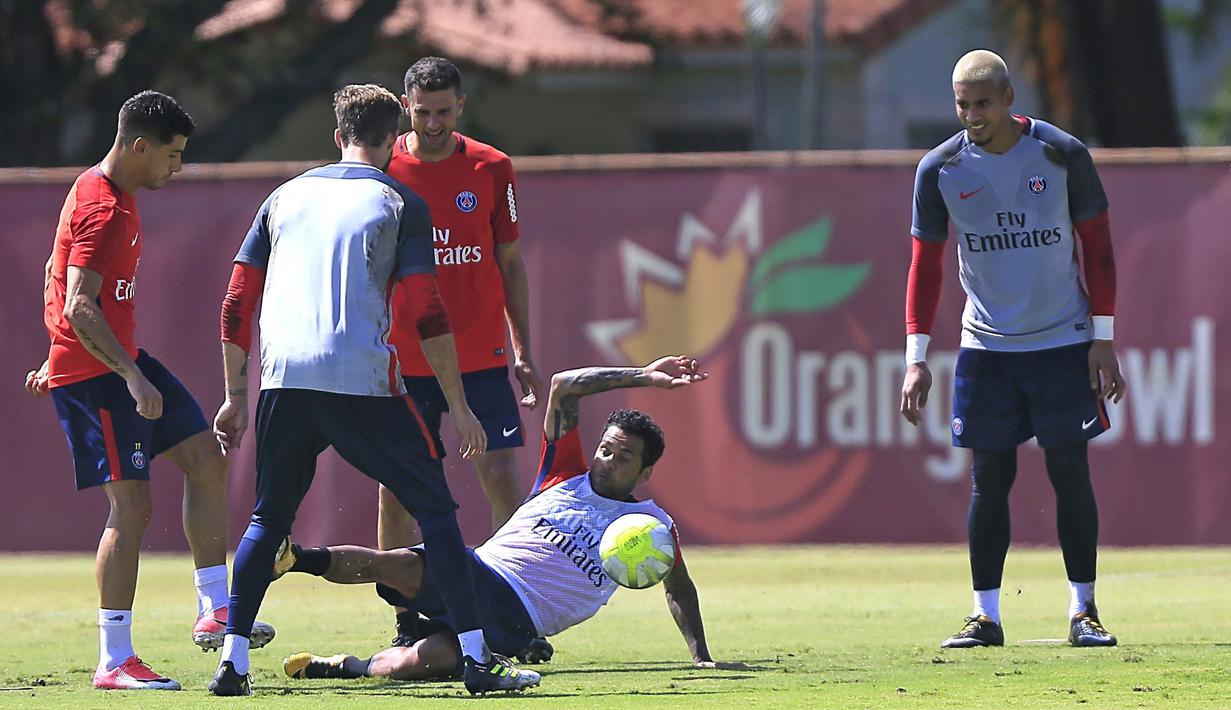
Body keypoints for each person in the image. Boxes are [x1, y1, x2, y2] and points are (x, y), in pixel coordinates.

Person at [208, 84, 538, 696]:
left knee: (266, 519)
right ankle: (474, 660)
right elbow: (427, 309)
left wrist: (233, 395)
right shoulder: (400, 200)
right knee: (437, 512)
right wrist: (459, 404)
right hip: (363, 383)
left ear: (338, 137)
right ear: (394, 142)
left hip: (283, 381)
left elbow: (235, 302)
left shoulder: (282, 197)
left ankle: (233, 662)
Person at [272, 356, 741, 682]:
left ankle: (343, 665)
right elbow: (563, 384)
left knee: (415, 666)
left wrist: (701, 658)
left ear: (646, 471)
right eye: (605, 449)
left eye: (623, 458)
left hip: (520, 621)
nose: (607, 461)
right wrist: (643, 376)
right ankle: (294, 557)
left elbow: (677, 586)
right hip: (480, 571)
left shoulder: (651, 525)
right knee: (393, 564)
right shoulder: (564, 473)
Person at [24, 90, 273, 691]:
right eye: (172, 154)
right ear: (140, 146)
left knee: (206, 457)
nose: (178, 166)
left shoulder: (105, 190)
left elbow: (55, 276)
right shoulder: (102, 209)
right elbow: (82, 302)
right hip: (97, 376)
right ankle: (114, 660)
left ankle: (214, 607)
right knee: (131, 508)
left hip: (118, 359)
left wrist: (55, 345)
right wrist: (127, 377)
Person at [900, 50, 1125, 649]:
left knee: (1069, 473)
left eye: (981, 104)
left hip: (1063, 340)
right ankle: (986, 616)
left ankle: (1084, 611)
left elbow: (1098, 250)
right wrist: (915, 357)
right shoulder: (940, 169)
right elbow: (925, 266)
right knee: (988, 479)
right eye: (961, 105)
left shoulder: (1061, 154)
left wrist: (1103, 338)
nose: (971, 116)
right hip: (986, 348)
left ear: (1007, 100)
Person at [377, 56, 543, 653]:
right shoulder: (383, 166)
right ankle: (403, 614)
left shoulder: (492, 167)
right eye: (422, 112)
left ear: (461, 107)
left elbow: (511, 264)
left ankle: (508, 608)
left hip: (479, 355)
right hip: (405, 358)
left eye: (444, 112)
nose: (433, 123)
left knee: (500, 476)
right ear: (406, 106)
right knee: (397, 487)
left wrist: (523, 348)